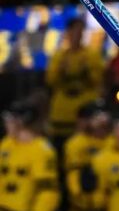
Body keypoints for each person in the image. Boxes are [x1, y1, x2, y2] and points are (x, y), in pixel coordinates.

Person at [0, 101, 59, 211]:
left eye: (10, 121)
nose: (6, 124)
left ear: (21, 122)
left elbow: (49, 190)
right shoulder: (7, 143)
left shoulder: (41, 150)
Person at [45, 17, 106, 145]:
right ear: (68, 32)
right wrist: (61, 71)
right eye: (74, 31)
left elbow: (99, 80)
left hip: (86, 107)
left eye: (80, 31)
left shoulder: (92, 55)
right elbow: (50, 81)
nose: (77, 35)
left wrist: (86, 71)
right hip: (62, 110)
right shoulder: (58, 56)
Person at [62, 100, 112, 211]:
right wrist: (81, 196)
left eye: (102, 117)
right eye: (95, 118)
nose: (100, 122)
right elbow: (73, 176)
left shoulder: (112, 141)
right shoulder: (76, 143)